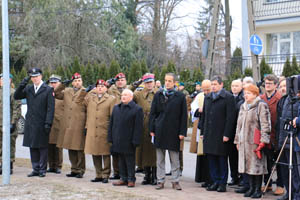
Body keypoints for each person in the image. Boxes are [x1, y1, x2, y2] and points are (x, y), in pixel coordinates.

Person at [149, 73, 188, 190]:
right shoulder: (158, 94)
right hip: (160, 130)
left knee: (174, 158)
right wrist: (152, 129)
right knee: (160, 158)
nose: (167, 83)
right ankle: (160, 180)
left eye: (170, 81)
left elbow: (183, 116)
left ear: (174, 82)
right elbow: (153, 113)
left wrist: (182, 132)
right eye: (166, 80)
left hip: (173, 131)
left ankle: (175, 181)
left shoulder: (180, 96)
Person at [14, 68, 55, 177]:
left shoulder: (48, 89)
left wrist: (48, 123)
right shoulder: (29, 88)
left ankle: (42, 169)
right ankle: (35, 168)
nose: (35, 79)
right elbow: (16, 96)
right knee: (33, 146)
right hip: (31, 122)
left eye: (36, 76)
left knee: (42, 147)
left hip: (42, 122)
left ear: (41, 76)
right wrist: (23, 82)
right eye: (32, 77)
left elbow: (51, 108)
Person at [200, 76, 236, 192]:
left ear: (221, 85)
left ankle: (222, 183)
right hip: (209, 134)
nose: (213, 86)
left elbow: (230, 118)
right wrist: (202, 132)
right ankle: (214, 181)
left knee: (221, 159)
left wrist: (227, 134)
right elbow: (204, 116)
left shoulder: (228, 97)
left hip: (221, 134)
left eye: (215, 84)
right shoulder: (208, 97)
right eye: (212, 84)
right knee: (211, 158)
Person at [235, 84, 271, 199]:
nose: (246, 95)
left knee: (256, 166)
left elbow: (265, 124)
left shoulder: (261, 105)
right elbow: (238, 125)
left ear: (255, 94)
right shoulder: (243, 106)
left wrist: (263, 141)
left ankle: (257, 189)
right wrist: (237, 140)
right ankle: (251, 187)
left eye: (248, 93)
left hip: (255, 142)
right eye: (245, 93)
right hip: (244, 142)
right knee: (247, 166)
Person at [78, 79, 116, 184]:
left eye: (102, 86)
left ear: (106, 88)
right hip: (91, 129)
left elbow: (113, 116)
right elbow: (81, 101)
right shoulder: (91, 98)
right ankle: (98, 174)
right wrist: (89, 90)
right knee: (95, 153)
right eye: (98, 86)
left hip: (104, 130)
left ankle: (106, 174)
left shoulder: (111, 99)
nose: (100, 88)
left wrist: (111, 130)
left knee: (105, 153)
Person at [108, 89, 143, 188]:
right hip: (117, 139)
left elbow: (138, 127)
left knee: (130, 160)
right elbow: (111, 124)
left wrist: (136, 140)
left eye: (126, 95)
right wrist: (110, 137)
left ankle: (131, 179)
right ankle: (123, 178)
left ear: (131, 97)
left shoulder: (137, 109)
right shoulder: (116, 108)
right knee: (121, 160)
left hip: (129, 140)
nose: (123, 97)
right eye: (122, 95)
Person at [54, 72, 86, 178]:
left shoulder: (86, 91)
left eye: (79, 80)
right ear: (72, 82)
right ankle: (74, 169)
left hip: (79, 123)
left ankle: (81, 170)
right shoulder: (67, 91)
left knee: (79, 148)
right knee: (70, 147)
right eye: (75, 81)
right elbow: (56, 93)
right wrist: (62, 84)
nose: (77, 83)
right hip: (68, 124)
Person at [260, 74, 284, 195]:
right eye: (266, 83)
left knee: (279, 161)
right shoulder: (261, 98)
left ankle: (280, 184)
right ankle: (267, 184)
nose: (267, 85)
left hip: (277, 134)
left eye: (270, 83)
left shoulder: (280, 98)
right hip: (265, 134)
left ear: (276, 85)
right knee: (266, 160)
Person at [277, 77, 300, 200]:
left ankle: (296, 194)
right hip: (284, 139)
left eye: (285, 86)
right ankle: (288, 192)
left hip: (295, 140)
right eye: (281, 86)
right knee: (285, 168)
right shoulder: (284, 100)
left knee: (295, 171)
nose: (284, 88)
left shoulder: (297, 100)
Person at [134, 73, 158, 185]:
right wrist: (134, 85)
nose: (149, 84)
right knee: (144, 151)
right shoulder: (139, 94)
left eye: (151, 82)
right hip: (143, 124)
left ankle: (155, 176)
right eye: (147, 82)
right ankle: (147, 175)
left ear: (154, 82)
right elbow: (127, 96)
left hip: (155, 124)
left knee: (154, 152)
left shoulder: (159, 93)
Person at [108, 72, 131, 179]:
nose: (120, 82)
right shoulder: (110, 90)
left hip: (127, 123)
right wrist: (107, 84)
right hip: (114, 121)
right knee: (115, 150)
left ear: (125, 81)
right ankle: (116, 172)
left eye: (122, 80)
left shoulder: (130, 90)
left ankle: (125, 173)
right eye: (118, 80)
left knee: (126, 151)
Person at [191, 80, 212, 187]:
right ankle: (202, 177)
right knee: (202, 153)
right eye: (204, 89)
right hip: (201, 126)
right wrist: (198, 109)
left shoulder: (214, 95)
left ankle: (210, 179)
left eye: (208, 89)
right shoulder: (199, 96)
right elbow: (193, 108)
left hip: (211, 128)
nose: (206, 91)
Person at [0, 73, 21, 174]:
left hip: (9, 124)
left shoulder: (13, 92)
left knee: (9, 145)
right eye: (1, 79)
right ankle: (1, 164)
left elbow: (16, 109)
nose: (3, 81)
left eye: (5, 79)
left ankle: (9, 166)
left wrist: (12, 123)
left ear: (10, 81)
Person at [47, 75, 64, 174]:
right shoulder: (48, 93)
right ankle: (51, 165)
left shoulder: (63, 94)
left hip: (59, 123)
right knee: (49, 145)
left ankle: (58, 166)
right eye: (52, 83)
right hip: (49, 123)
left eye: (55, 83)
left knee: (58, 146)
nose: (53, 84)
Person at [228, 79, 244, 186]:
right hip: (230, 131)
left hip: (240, 131)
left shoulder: (243, 97)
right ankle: (234, 176)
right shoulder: (228, 97)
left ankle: (241, 178)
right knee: (232, 156)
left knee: (240, 156)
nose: (234, 88)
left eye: (236, 85)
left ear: (241, 86)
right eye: (233, 85)